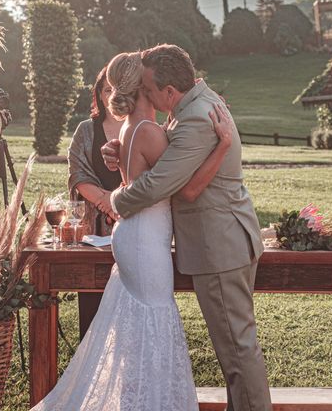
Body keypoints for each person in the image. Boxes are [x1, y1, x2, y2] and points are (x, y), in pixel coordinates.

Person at [30, 51, 234, 411]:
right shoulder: (151, 133)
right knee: (151, 327)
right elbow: (185, 186)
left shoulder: (129, 129)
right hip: (144, 242)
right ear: (144, 86)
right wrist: (223, 146)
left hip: (133, 235)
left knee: (137, 331)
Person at [103, 44, 272, 411]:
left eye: (148, 91)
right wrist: (125, 154)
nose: (144, 97)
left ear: (168, 91)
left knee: (238, 351)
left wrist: (115, 201)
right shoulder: (192, 105)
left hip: (219, 245)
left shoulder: (195, 117)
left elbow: (165, 185)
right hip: (222, 240)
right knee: (235, 352)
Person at [68, 66, 122, 236]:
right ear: (99, 94)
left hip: (135, 218)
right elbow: (78, 175)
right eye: (108, 90)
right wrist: (107, 203)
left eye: (119, 89)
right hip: (94, 226)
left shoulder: (142, 129)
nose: (114, 95)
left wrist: (118, 202)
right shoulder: (85, 130)